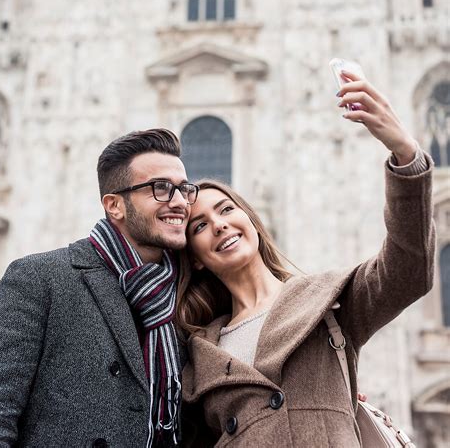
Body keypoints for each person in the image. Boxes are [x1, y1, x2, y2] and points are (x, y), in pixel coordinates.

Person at [177, 73, 435, 447]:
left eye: (227, 209)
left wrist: (405, 154)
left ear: (251, 221)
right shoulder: (199, 356)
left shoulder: (327, 302)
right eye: (200, 225)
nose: (219, 225)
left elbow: (408, 269)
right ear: (195, 258)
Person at [0, 128, 200, 448]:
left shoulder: (181, 295)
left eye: (184, 189)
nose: (179, 202)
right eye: (161, 188)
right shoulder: (39, 277)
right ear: (114, 206)